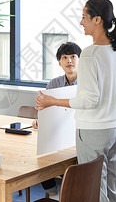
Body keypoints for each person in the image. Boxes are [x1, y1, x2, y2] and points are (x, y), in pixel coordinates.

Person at [36, 0, 116, 202]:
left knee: (95, 190)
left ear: (97, 20)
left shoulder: (89, 54)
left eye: (84, 17)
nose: (81, 22)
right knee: (112, 187)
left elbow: (89, 100)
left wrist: (52, 101)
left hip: (94, 131)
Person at [34, 41, 82, 197]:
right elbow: (44, 107)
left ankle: (73, 195)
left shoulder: (87, 83)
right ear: (59, 63)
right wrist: (38, 119)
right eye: (65, 57)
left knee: (74, 168)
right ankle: (53, 195)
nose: (69, 61)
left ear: (80, 60)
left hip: (79, 135)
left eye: (73, 57)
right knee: (42, 160)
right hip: (58, 134)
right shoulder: (54, 83)